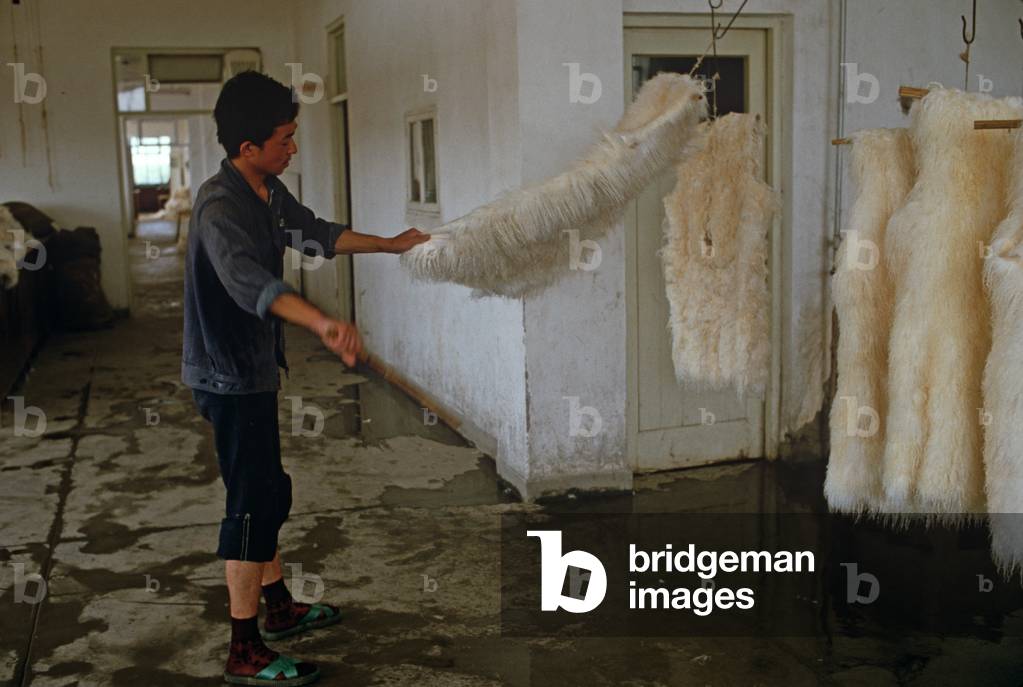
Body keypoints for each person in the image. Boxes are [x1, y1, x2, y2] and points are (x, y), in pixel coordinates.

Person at [181, 70, 429, 686]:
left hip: (255, 370)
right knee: (249, 506)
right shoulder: (220, 207)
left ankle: (280, 607)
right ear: (248, 148)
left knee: (270, 491)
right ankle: (244, 646)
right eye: (286, 139)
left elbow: (315, 234)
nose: (293, 149)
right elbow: (249, 284)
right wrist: (321, 322)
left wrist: (389, 245)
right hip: (228, 377)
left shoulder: (267, 192)